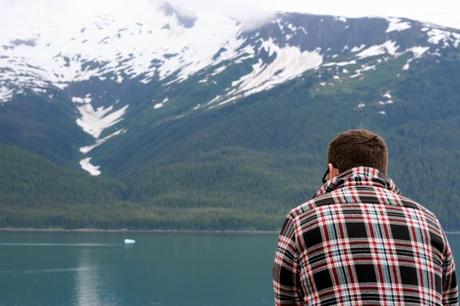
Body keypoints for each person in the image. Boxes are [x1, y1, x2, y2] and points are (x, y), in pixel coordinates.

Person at [273, 129, 458, 305]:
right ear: (382, 171)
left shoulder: (300, 219)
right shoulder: (429, 221)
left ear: (332, 171)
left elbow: (286, 300)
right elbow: (449, 299)